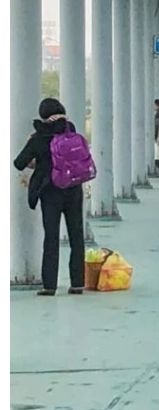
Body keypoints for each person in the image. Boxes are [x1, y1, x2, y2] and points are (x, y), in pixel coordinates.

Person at [13, 98, 86, 295]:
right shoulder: (72, 133)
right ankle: (78, 282)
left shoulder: (39, 137)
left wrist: (37, 162)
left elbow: (19, 163)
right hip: (73, 189)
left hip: (50, 191)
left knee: (51, 237)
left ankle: (49, 285)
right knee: (77, 235)